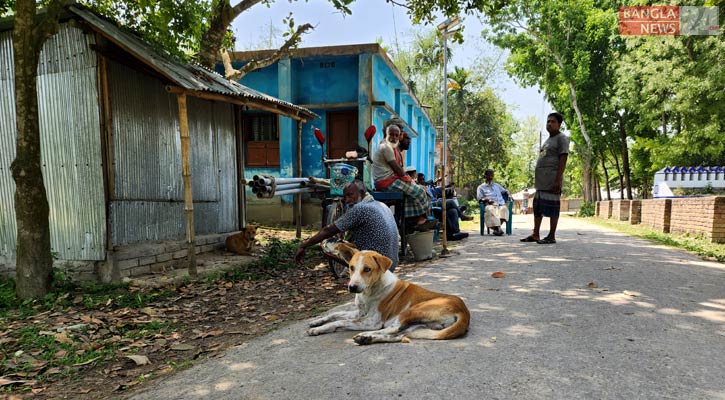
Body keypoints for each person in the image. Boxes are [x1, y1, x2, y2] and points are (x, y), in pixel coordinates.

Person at [293, 180, 400, 271]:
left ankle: (357, 272)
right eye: (345, 197)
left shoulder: (360, 209)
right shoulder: (381, 205)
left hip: (375, 266)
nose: (347, 200)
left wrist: (304, 245)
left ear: (361, 193)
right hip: (390, 264)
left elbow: (329, 230)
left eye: (350, 195)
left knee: (328, 243)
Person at [372, 124, 433, 231]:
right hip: (386, 182)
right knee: (420, 191)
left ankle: (413, 220)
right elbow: (399, 171)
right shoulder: (386, 147)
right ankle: (420, 219)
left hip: (389, 180)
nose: (394, 137)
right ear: (386, 134)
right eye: (391, 134)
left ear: (399, 137)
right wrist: (413, 183)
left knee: (417, 193)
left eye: (396, 135)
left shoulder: (392, 147)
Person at [520, 112, 569, 245]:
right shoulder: (548, 140)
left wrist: (558, 180)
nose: (549, 124)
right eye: (548, 121)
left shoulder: (562, 138)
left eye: (553, 121)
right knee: (538, 208)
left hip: (552, 181)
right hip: (541, 183)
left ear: (559, 124)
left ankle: (551, 236)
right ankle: (535, 234)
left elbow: (563, 159)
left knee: (553, 208)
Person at [476, 169, 510, 236]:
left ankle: (497, 229)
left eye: (492, 175)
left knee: (504, 209)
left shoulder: (497, 185)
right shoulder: (481, 187)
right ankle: (498, 229)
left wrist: (509, 194)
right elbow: (479, 198)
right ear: (485, 176)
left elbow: (505, 191)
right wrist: (487, 200)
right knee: (491, 210)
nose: (491, 177)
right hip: (490, 204)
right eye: (489, 175)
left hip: (500, 204)